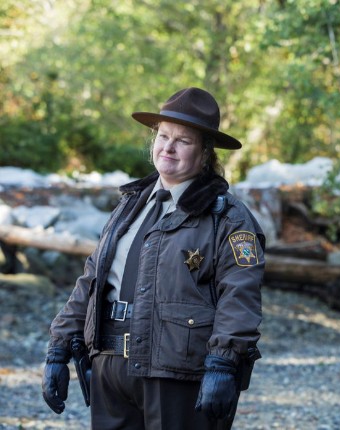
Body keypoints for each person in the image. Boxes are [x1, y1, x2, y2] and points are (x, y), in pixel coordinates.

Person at [41, 87, 265, 429]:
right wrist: (58, 349)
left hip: (177, 370)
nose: (168, 147)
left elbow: (240, 293)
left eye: (183, 141)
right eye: (163, 136)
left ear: (205, 153)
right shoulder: (129, 205)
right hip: (109, 367)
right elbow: (91, 280)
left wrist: (223, 362)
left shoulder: (228, 217)